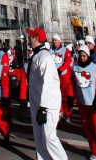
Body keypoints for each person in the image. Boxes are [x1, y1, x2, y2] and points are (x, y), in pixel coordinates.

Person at [27, 27, 68, 160]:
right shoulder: (36, 55)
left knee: (49, 137)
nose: (29, 38)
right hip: (36, 101)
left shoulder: (45, 57)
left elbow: (48, 82)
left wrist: (44, 107)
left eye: (31, 36)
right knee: (39, 138)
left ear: (36, 38)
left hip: (47, 104)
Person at [72, 44, 96, 160]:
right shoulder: (75, 67)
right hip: (82, 101)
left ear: (88, 56)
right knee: (87, 128)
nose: (82, 58)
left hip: (94, 102)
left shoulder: (95, 67)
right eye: (80, 56)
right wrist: (71, 97)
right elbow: (72, 83)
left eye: (84, 56)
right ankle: (95, 151)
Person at [49, 34, 74, 120]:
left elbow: (68, 61)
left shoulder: (65, 50)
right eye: (53, 40)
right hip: (54, 75)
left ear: (59, 41)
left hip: (63, 75)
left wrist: (60, 69)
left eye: (55, 40)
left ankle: (67, 113)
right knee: (56, 94)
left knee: (65, 94)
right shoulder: (50, 50)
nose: (54, 42)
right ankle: (60, 111)